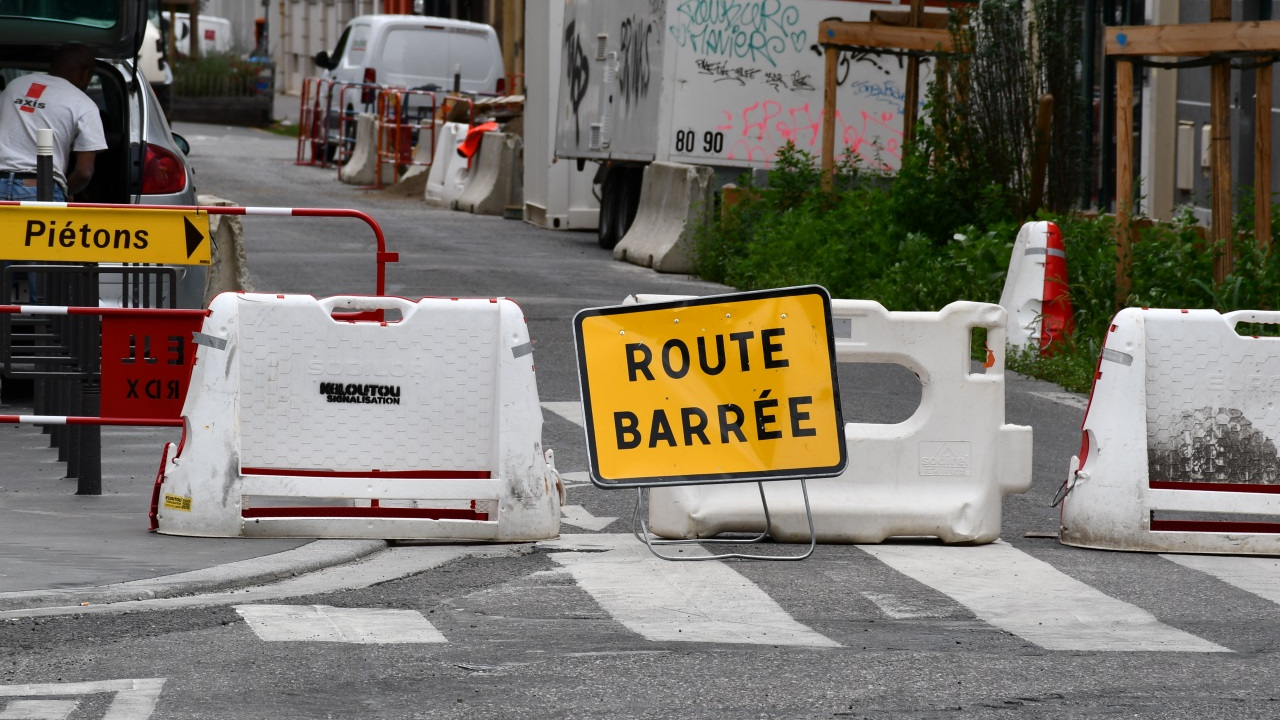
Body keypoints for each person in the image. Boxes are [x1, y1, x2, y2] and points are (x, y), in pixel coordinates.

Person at [0, 42, 107, 202]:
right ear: (85, 73)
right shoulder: (84, 104)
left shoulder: (16, 85)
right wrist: (66, 191)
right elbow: (84, 172)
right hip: (40, 190)